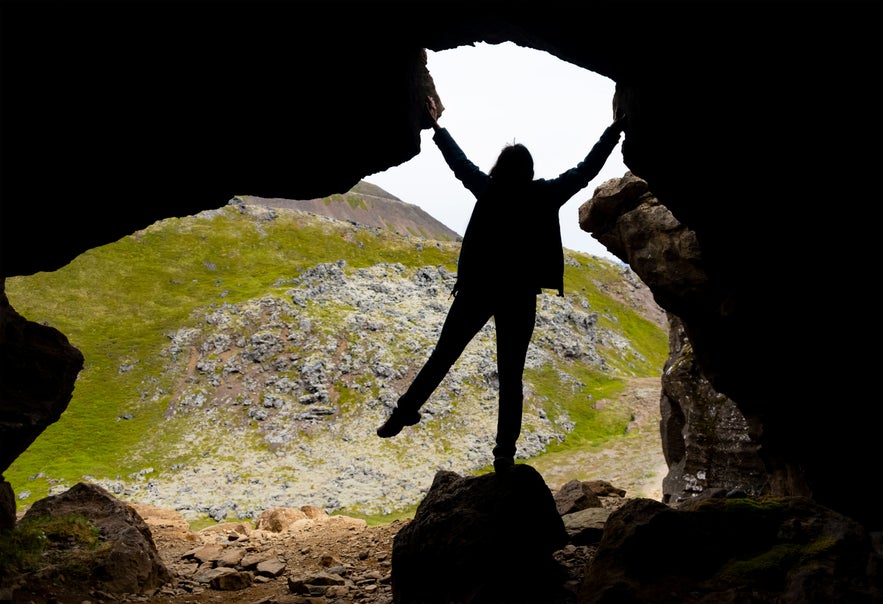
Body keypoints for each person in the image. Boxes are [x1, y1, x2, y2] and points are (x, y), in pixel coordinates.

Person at [376, 95, 627, 473]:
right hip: (520, 295)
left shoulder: (488, 189)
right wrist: (614, 130)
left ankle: (404, 410)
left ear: (500, 167)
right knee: (511, 375)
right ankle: (503, 454)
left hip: (477, 289)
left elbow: (459, 165)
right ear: (528, 170)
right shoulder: (545, 194)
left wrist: (438, 129)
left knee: (444, 354)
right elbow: (585, 170)